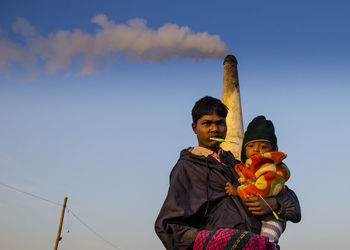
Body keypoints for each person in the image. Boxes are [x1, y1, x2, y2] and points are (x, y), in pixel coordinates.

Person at [155, 96, 301, 250]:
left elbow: (294, 209)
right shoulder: (187, 168)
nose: (214, 129)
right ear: (194, 128)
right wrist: (212, 240)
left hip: (258, 245)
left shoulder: (238, 166)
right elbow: (167, 227)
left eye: (220, 123)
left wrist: (273, 204)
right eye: (206, 123)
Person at [225, 115, 297, 245]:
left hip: (272, 219)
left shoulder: (271, 168)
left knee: (266, 243)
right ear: (244, 150)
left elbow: (262, 189)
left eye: (263, 147)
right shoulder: (241, 169)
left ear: (273, 150)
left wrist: (238, 191)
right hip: (240, 236)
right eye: (251, 146)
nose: (256, 150)